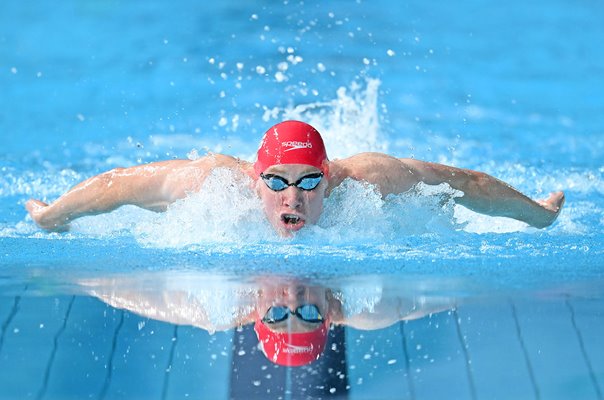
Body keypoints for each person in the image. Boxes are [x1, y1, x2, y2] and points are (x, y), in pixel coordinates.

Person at [26, 120, 565, 235]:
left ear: (327, 179)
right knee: (152, 202)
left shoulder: (368, 181)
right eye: (278, 182)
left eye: (309, 182)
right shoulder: (216, 186)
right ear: (257, 178)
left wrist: (537, 215)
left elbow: (465, 184)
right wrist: (54, 215)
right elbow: (118, 185)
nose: (294, 197)